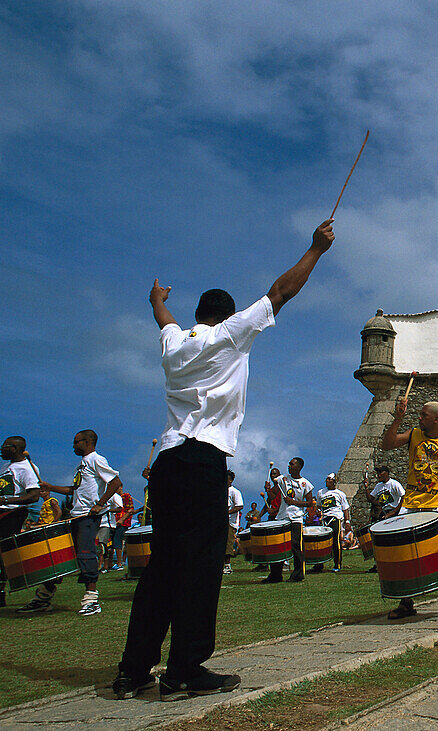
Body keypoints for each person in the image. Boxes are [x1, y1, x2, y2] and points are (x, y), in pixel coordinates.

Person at [112, 217, 335, 701]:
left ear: (198, 314)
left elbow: (165, 323)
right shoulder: (230, 335)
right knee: (200, 566)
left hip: (167, 463)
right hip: (203, 460)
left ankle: (133, 671)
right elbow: (280, 292)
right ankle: (184, 669)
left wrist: (156, 299)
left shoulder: (176, 346)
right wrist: (315, 249)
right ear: (228, 315)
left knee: (162, 566)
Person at [380, 399, 438, 619]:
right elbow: (387, 444)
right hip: (411, 503)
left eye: (423, 415)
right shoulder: (414, 435)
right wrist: (398, 419)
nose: (419, 418)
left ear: (436, 419)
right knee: (405, 553)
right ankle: (407, 602)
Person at [34, 430, 123, 616]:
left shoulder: (96, 459)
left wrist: (99, 504)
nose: (73, 446)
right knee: (61, 556)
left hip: (88, 517)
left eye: (76, 442)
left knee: (86, 554)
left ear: (88, 442)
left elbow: (115, 482)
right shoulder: (81, 465)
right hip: (77, 516)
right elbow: (74, 490)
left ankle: (92, 599)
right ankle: (43, 598)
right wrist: (51, 487)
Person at [0, 436, 47, 608]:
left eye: (5, 447)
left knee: (5, 554)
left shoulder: (27, 468)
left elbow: (33, 495)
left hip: (12, 514)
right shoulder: (6, 467)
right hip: (3, 512)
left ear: (15, 448)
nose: (2, 449)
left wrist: (6, 500)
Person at [264, 459, 314, 583]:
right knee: (278, 547)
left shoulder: (305, 484)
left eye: (292, 464)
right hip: (282, 517)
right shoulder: (283, 480)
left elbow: (309, 502)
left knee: (296, 546)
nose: (289, 466)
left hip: (296, 518)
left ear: (299, 467)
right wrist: (268, 490)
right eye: (289, 464)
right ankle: (275, 575)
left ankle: (298, 574)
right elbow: (273, 496)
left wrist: (294, 502)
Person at [313, 473, 351, 573]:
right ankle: (319, 564)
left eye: (329, 479)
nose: (327, 481)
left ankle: (337, 564)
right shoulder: (321, 492)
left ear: (334, 481)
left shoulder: (340, 494)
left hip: (335, 518)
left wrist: (347, 521)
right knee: (321, 542)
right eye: (326, 479)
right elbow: (318, 506)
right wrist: (319, 513)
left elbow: (345, 508)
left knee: (336, 541)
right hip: (325, 519)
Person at [112, 489, 136, 571]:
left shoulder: (126, 496)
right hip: (114, 522)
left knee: (118, 541)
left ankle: (120, 563)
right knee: (115, 542)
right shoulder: (113, 496)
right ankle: (117, 562)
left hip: (122, 522)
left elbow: (130, 510)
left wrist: (122, 519)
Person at [225, 471, 244, 575]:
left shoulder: (234, 492)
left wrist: (227, 512)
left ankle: (227, 565)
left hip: (230, 522)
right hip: (221, 521)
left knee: (228, 543)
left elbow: (239, 506)